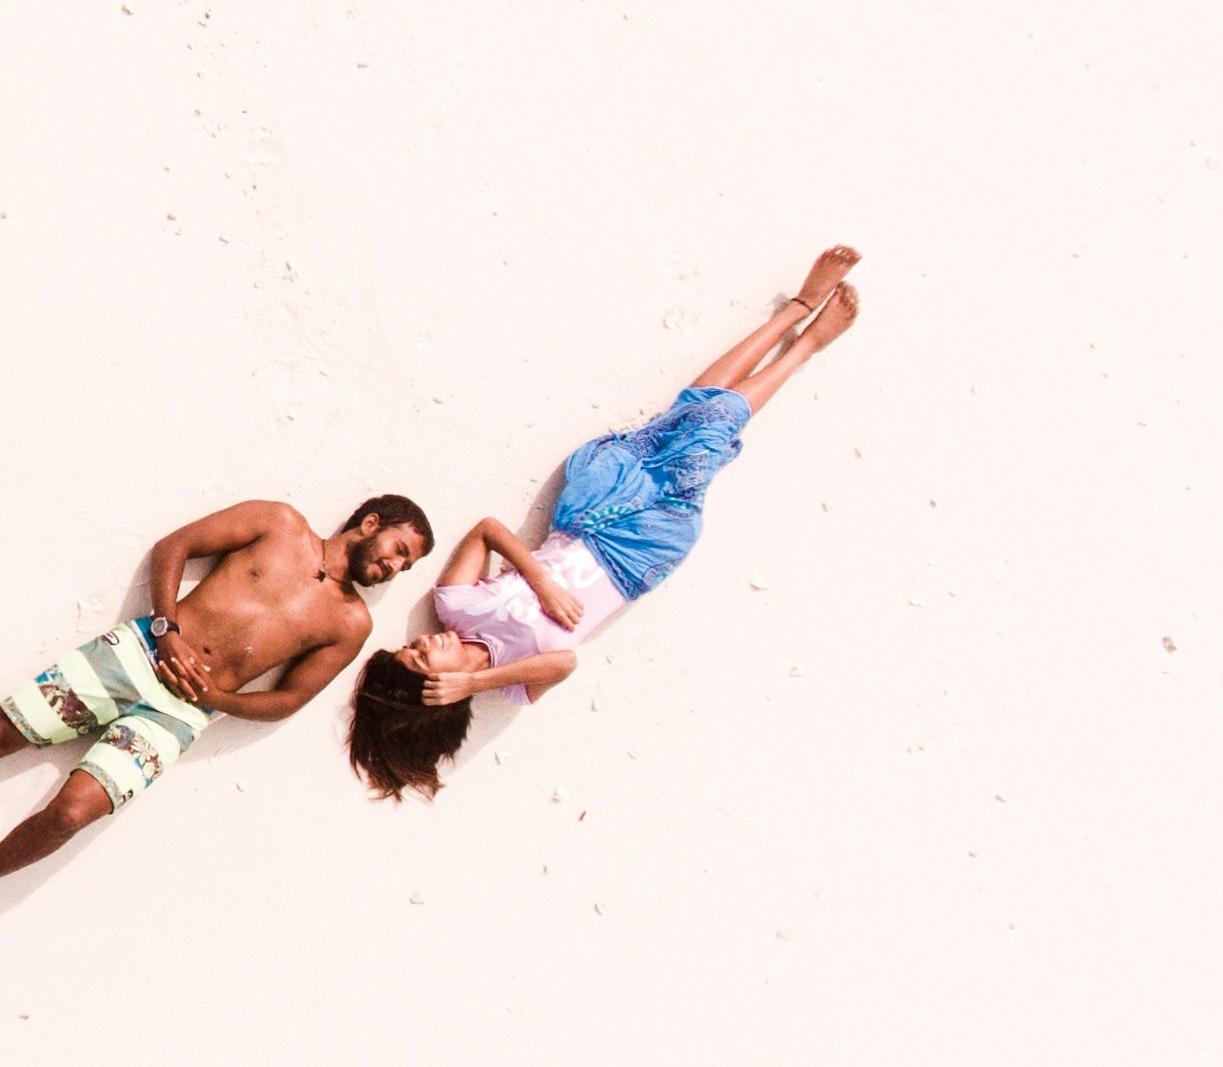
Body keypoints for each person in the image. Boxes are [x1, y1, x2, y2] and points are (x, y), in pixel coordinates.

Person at [349, 246, 861, 799]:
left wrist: (540, 580)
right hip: (637, 552)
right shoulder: (513, 685)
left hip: (588, 518)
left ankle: (798, 316)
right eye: (423, 656)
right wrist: (474, 681)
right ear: (440, 686)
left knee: (686, 414)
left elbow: (488, 530)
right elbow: (566, 662)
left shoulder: (456, 607)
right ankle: (803, 338)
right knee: (707, 428)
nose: (425, 641)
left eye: (413, 646)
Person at [0, 493, 435, 933]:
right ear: (371, 521)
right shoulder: (279, 521)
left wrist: (213, 700)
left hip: (180, 715)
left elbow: (289, 700)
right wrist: (166, 627)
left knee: (72, 813)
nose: (395, 567)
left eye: (407, 565)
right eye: (400, 549)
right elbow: (177, 545)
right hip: (136, 652)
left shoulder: (350, 622)